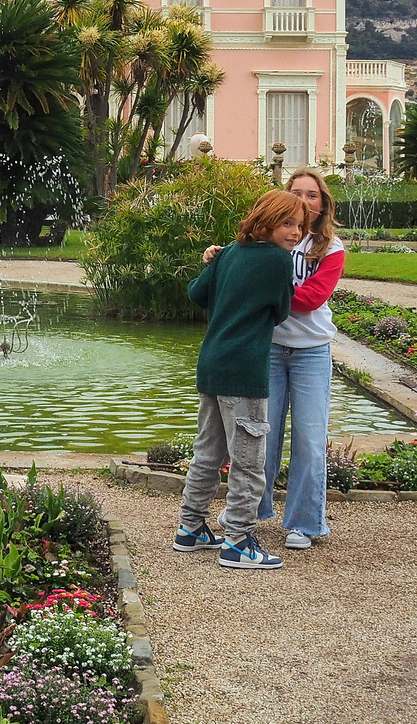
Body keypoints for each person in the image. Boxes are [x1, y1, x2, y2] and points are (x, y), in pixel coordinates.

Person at [203, 172, 346, 550]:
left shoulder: (331, 248)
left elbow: (312, 299)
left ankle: (303, 521)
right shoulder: (267, 243)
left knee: (310, 438)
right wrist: (221, 263)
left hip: (311, 351)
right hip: (266, 346)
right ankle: (251, 513)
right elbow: (233, 269)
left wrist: (254, 286)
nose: (304, 200)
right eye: (295, 193)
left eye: (312, 195)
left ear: (322, 203)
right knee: (258, 436)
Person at [175, 189, 309, 571]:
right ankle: (237, 540)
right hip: (245, 371)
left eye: (299, 225)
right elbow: (282, 311)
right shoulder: (277, 261)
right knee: (249, 461)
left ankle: (191, 527)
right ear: (265, 220)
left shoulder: (229, 252)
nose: (295, 232)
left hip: (212, 365)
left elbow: (196, 293)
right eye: (287, 223)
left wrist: (212, 264)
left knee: (208, 453)